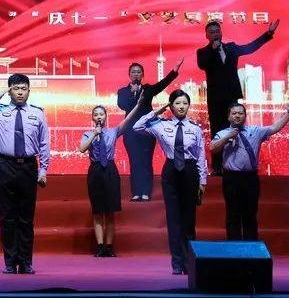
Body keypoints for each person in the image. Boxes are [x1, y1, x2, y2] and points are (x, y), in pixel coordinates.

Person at [0, 74, 50, 275]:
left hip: (28, 166)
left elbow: (44, 143)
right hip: (5, 165)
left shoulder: (38, 113)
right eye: (16, 88)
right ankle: (10, 262)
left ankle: (26, 262)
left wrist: (43, 169)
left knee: (26, 218)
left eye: (23, 88)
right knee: (7, 217)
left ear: (29, 91)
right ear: (10, 90)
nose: (20, 92)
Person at [133, 90, 207, 275]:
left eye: (185, 103)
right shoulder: (161, 124)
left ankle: (189, 262)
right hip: (171, 171)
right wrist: (156, 112)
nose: (181, 107)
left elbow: (200, 156)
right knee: (173, 219)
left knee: (188, 219)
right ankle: (176, 262)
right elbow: (137, 127)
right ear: (171, 106)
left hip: (190, 171)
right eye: (177, 103)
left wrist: (202, 181)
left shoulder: (195, 128)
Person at [197, 19, 279, 175]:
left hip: (232, 97)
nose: (215, 34)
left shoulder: (231, 48)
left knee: (236, 128)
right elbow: (203, 65)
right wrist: (213, 50)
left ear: (221, 33)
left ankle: (238, 161)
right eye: (212, 32)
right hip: (215, 99)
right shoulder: (203, 52)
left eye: (217, 31)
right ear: (207, 35)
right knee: (217, 130)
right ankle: (218, 167)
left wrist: (269, 33)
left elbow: (250, 48)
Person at [209, 99, 289, 241]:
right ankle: (234, 248)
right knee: (233, 214)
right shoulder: (222, 133)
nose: (237, 116)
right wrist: (227, 137)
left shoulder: (255, 131)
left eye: (240, 113)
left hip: (250, 178)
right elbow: (213, 148)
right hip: (231, 179)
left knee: (250, 214)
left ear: (245, 116)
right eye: (234, 113)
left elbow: (274, 128)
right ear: (228, 116)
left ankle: (251, 249)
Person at [78, 92, 144, 258]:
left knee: (110, 211)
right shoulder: (88, 134)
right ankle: (100, 247)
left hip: (110, 171)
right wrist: (95, 133)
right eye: (96, 114)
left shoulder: (113, 132)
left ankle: (109, 246)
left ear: (106, 116)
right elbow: (82, 149)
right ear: (92, 118)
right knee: (97, 211)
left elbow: (128, 120)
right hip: (95, 171)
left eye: (101, 114)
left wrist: (138, 104)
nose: (99, 117)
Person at [116, 59, 182, 201]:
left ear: (142, 75)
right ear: (129, 75)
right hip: (130, 133)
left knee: (146, 161)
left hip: (147, 131)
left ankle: (146, 192)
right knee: (134, 161)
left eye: (139, 72)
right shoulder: (123, 92)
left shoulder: (148, 90)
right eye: (133, 72)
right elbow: (122, 105)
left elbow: (162, 84)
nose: (136, 74)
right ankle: (136, 192)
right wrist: (132, 93)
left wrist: (174, 71)